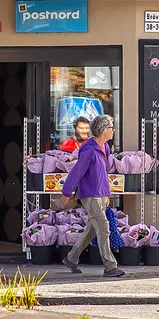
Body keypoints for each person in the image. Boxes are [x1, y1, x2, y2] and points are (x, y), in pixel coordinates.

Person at [60, 114, 125, 278]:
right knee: (103, 228)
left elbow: (103, 173)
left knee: (91, 229)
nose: (113, 130)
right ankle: (110, 266)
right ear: (103, 130)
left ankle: (71, 258)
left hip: (101, 194)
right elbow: (77, 172)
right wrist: (66, 192)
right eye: (111, 127)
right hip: (90, 195)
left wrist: (106, 193)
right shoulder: (89, 149)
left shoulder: (105, 147)